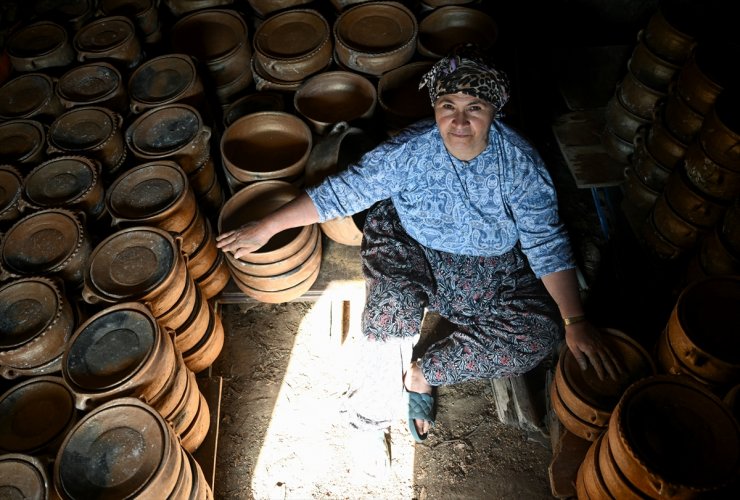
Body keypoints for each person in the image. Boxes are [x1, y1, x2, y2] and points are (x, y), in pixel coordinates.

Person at [216, 44, 621, 444]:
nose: (459, 121)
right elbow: (342, 192)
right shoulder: (411, 150)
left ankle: (423, 374)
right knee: (390, 317)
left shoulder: (519, 164)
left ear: (495, 110)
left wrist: (575, 321)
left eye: (474, 108)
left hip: (486, 267)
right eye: (448, 105)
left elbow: (545, 242)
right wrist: (265, 227)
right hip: (410, 245)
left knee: (538, 332)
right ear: (435, 108)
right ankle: (372, 411)